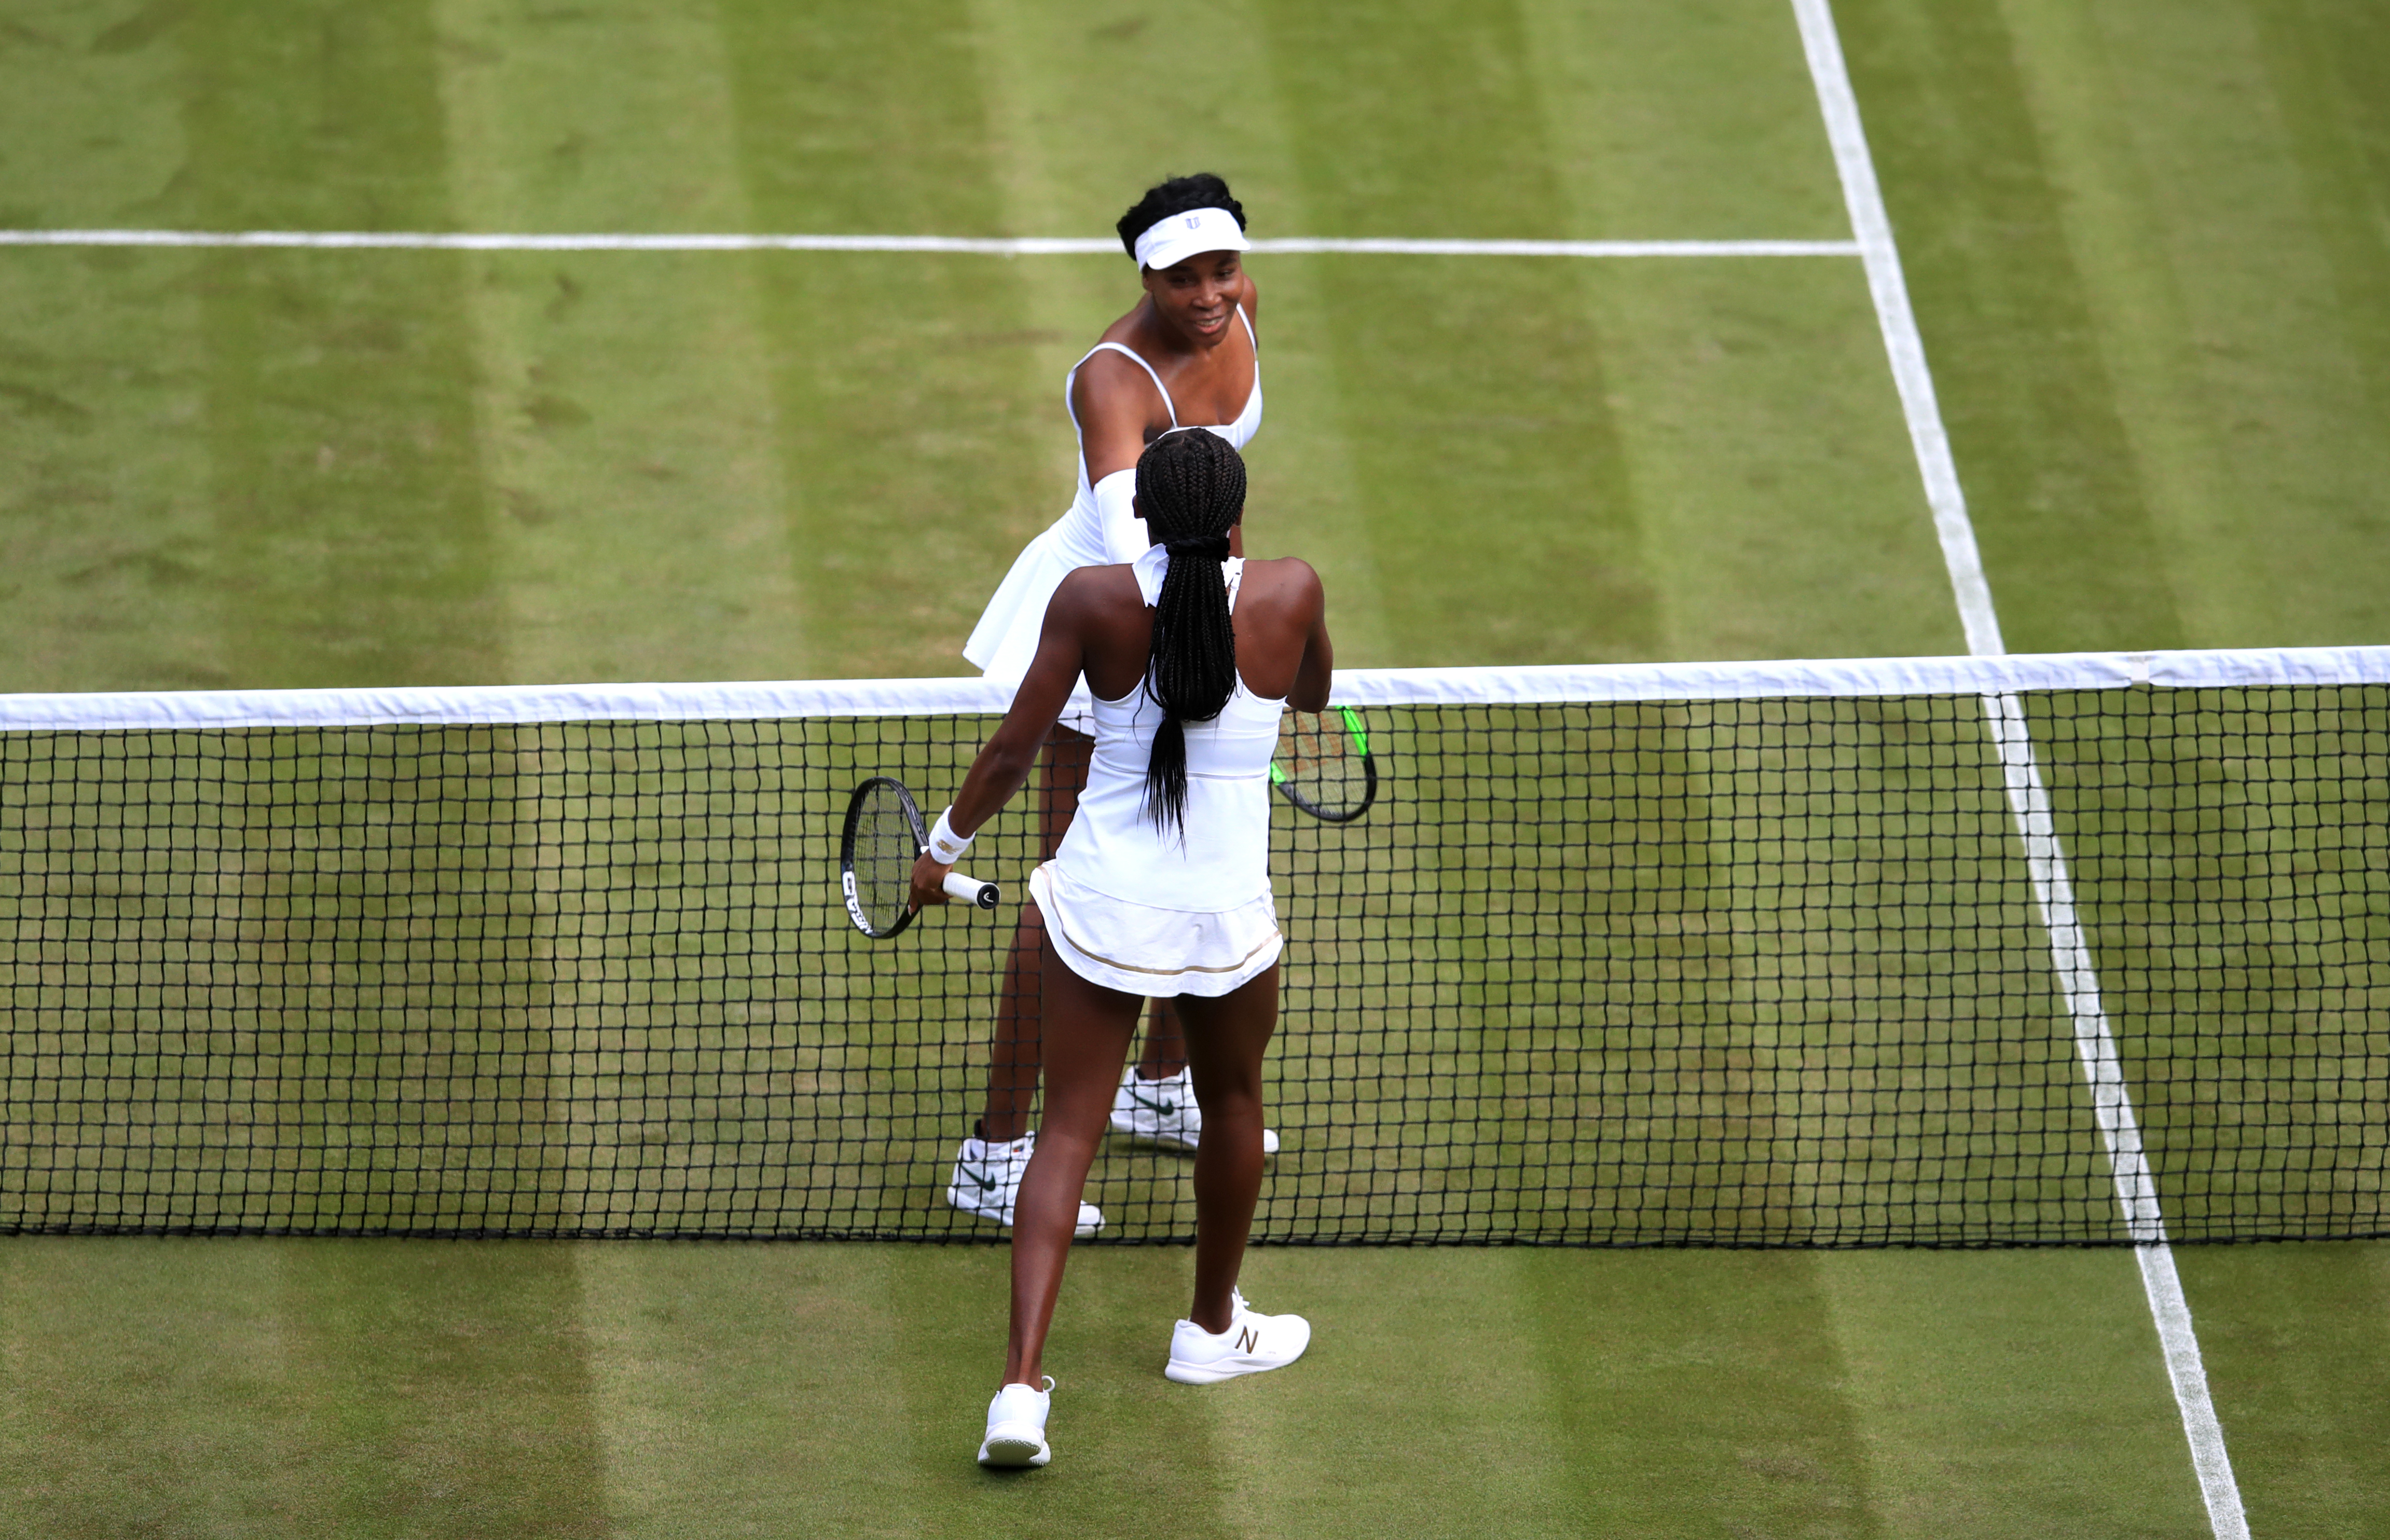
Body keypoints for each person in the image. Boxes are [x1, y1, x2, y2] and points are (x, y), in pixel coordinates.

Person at [912, 431, 1328, 1469]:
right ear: (1237, 514)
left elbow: (1016, 745)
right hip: (1223, 917)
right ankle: (1207, 1327)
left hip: (1096, 905)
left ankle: (1018, 1387)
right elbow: (1313, 693)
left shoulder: (1092, 599)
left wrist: (939, 851)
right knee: (1233, 1104)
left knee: (1064, 1135)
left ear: (1139, 513)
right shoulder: (1289, 591)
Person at [947, 173, 1277, 1238]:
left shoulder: (1243, 307)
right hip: (1103, 622)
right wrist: (1217, 657)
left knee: (1197, 861)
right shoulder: (1110, 380)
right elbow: (1135, 548)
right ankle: (993, 1156)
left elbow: (1215, 486)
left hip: (1192, 598)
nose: (1209, 294)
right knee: (1066, 904)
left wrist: (1228, 606)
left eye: (1220, 269)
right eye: (1183, 278)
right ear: (1145, 275)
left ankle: (1158, 1079)